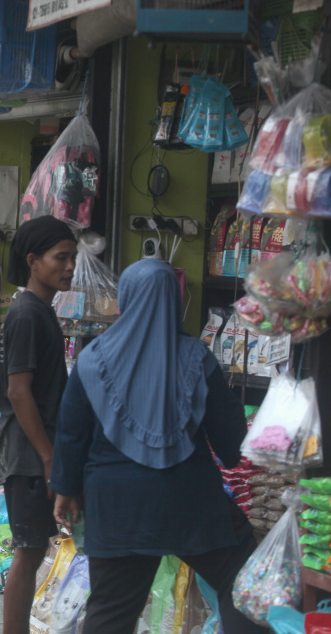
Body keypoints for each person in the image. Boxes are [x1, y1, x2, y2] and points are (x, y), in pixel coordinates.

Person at [50, 259, 263, 634]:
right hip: (189, 500)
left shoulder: (91, 359)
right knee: (244, 582)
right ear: (174, 301)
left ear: (125, 300)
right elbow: (231, 437)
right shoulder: (197, 357)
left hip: (116, 507)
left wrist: (65, 490)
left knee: (111, 612)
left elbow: (71, 435)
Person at [0, 215, 77, 634]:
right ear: (33, 261)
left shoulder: (39, 311)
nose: (69, 266)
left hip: (35, 452)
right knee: (28, 554)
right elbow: (18, 391)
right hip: (29, 456)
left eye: (72, 257)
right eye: (60, 257)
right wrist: (48, 458)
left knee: (32, 550)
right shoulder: (27, 313)